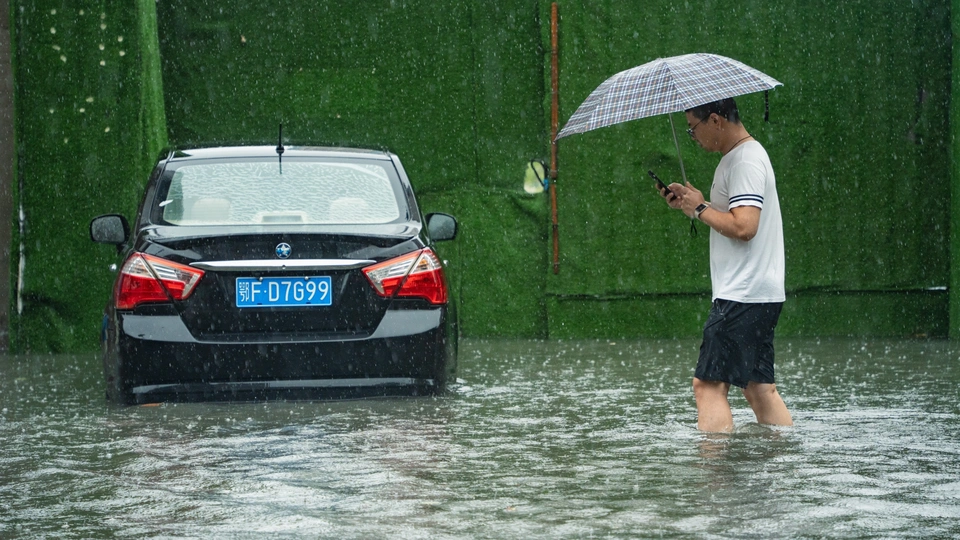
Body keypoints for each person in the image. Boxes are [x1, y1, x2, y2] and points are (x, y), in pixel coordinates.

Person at [658, 97, 793, 432]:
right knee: (759, 388)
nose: (692, 136)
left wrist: (701, 208)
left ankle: (715, 465)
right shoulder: (742, 157)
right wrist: (695, 205)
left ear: (716, 120)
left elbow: (745, 227)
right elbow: (734, 217)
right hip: (759, 292)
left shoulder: (744, 161)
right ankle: (782, 458)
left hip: (741, 294)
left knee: (707, 386)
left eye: (693, 128)